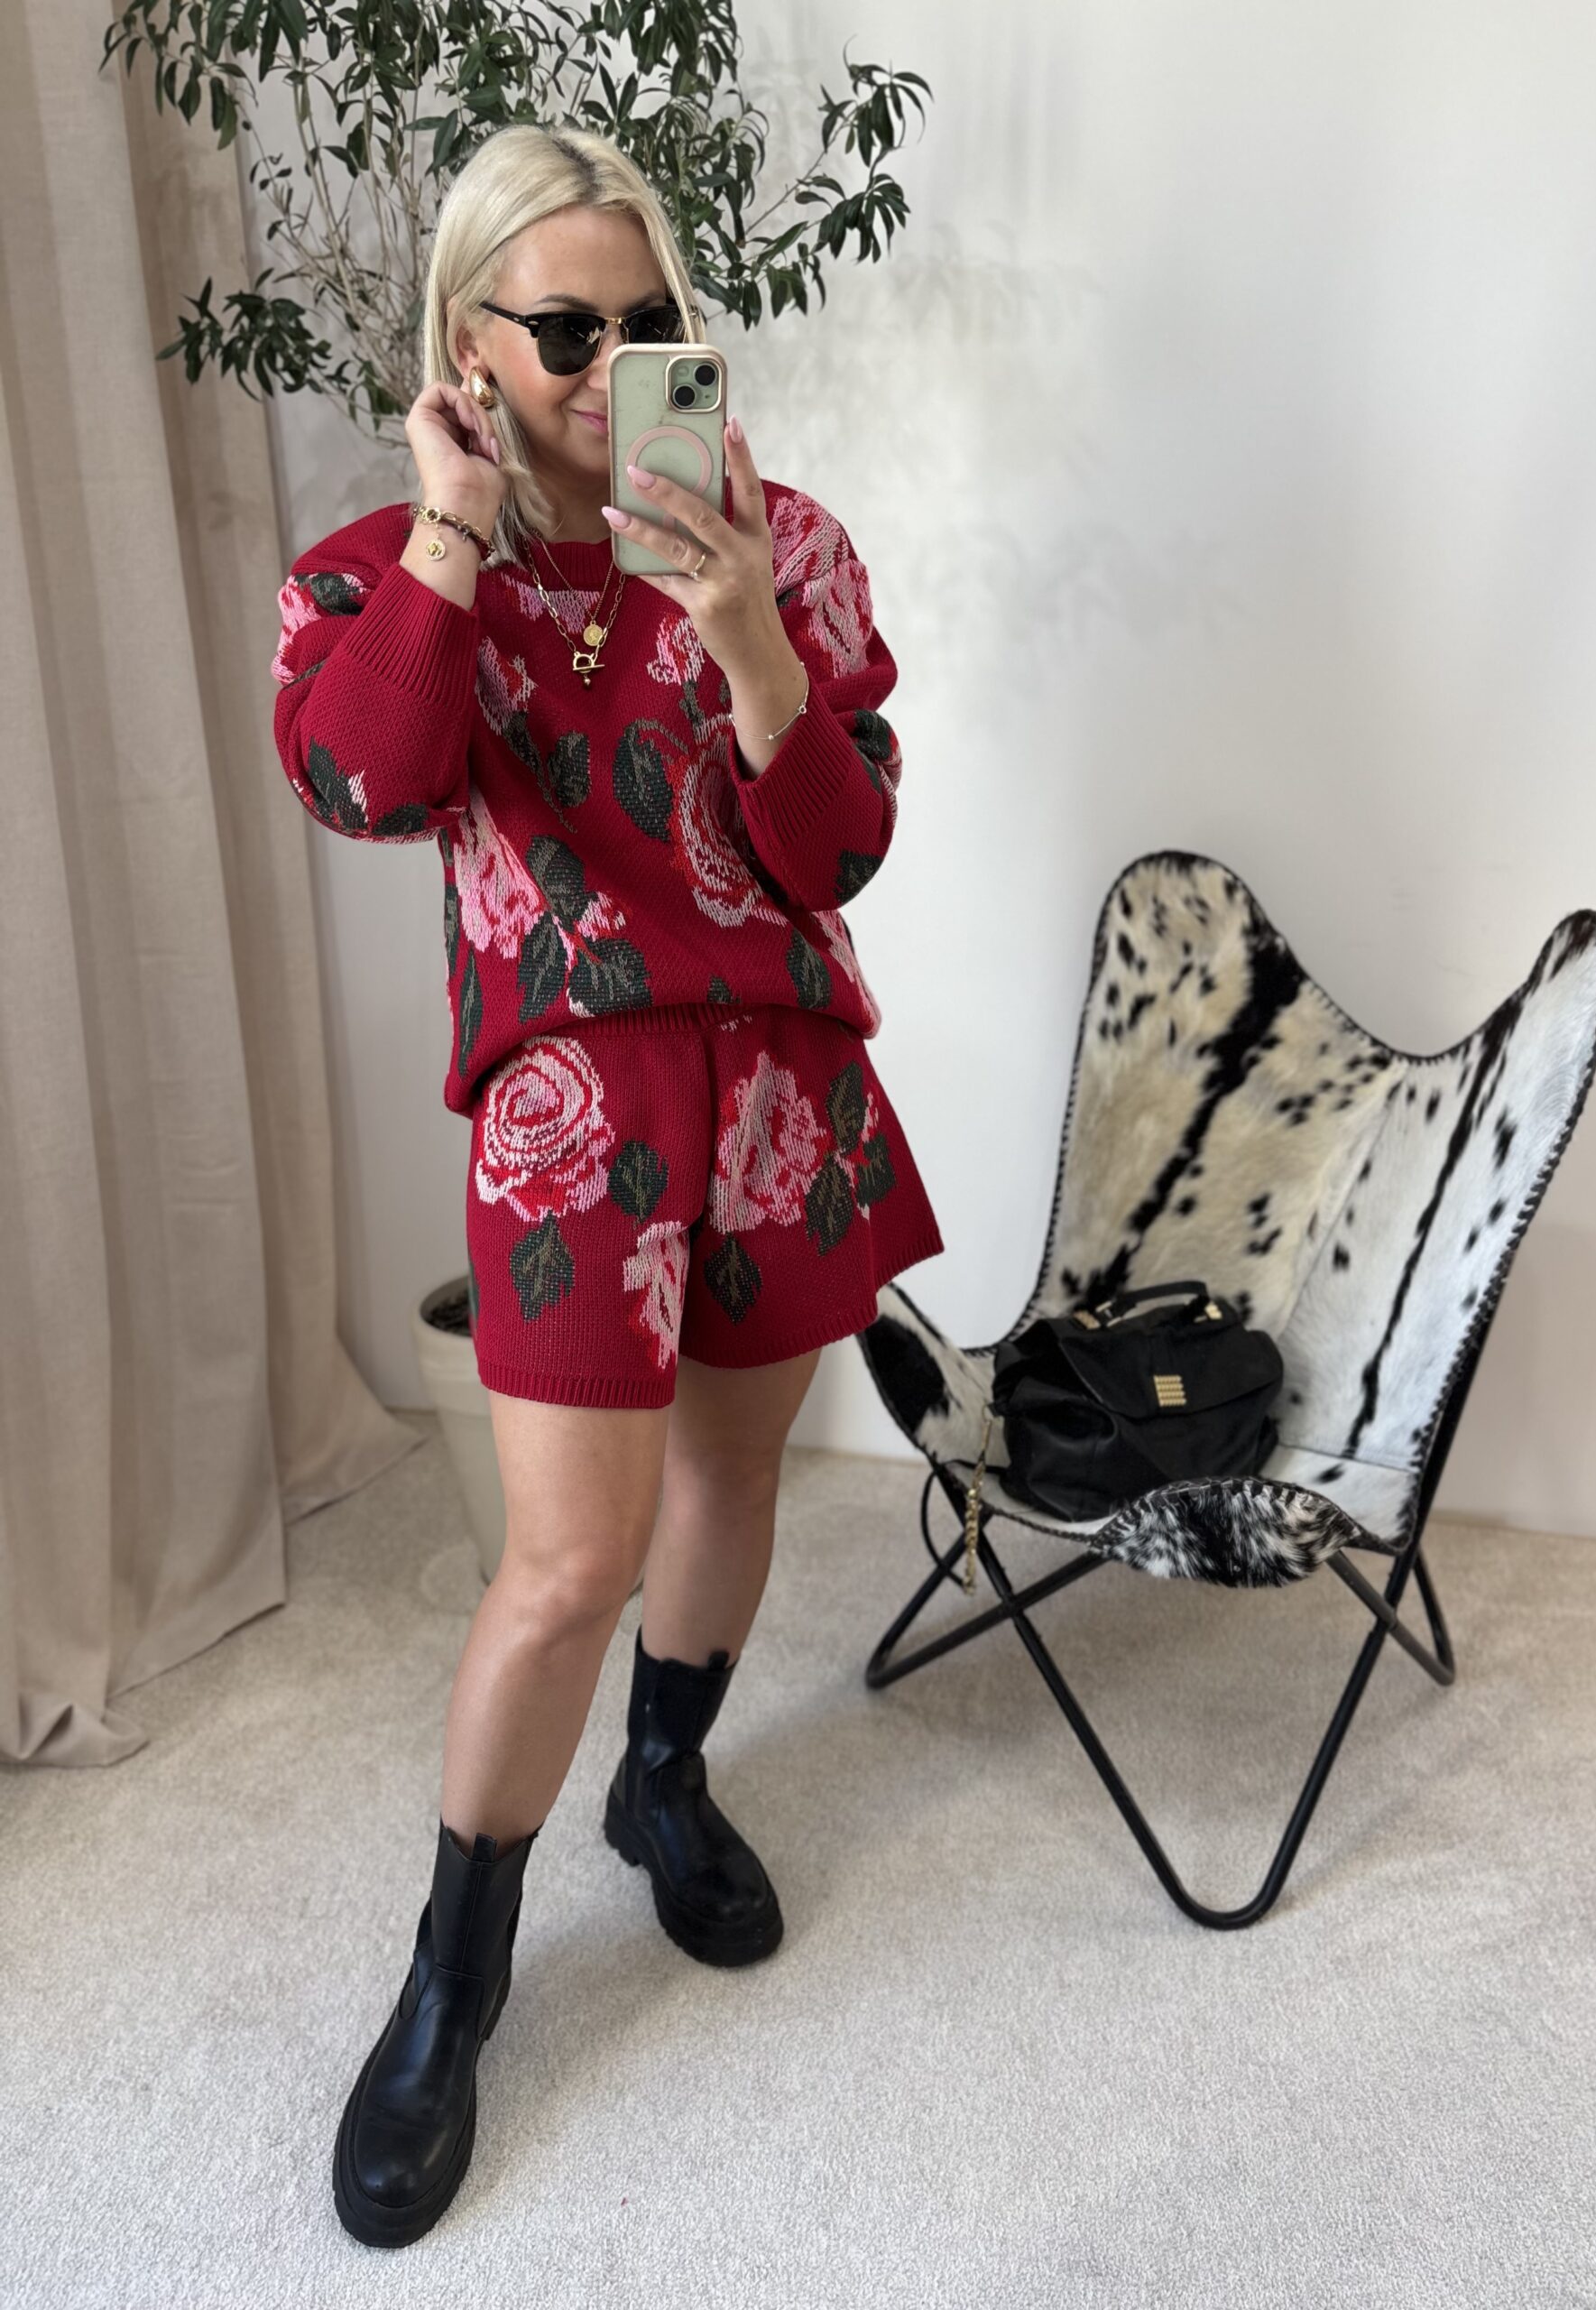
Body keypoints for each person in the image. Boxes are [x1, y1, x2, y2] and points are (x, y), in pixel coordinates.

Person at [269, 122, 945, 2248]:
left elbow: (838, 851)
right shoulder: (394, 567)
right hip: (576, 1102)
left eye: (649, 323)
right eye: (565, 327)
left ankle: (665, 1780)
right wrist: (461, 532)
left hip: (780, 1084)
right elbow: (362, 775)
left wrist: (746, 635)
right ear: (469, 336)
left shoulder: (784, 544)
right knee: (563, 1561)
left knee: (731, 1479)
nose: (608, 363)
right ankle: (450, 1984)